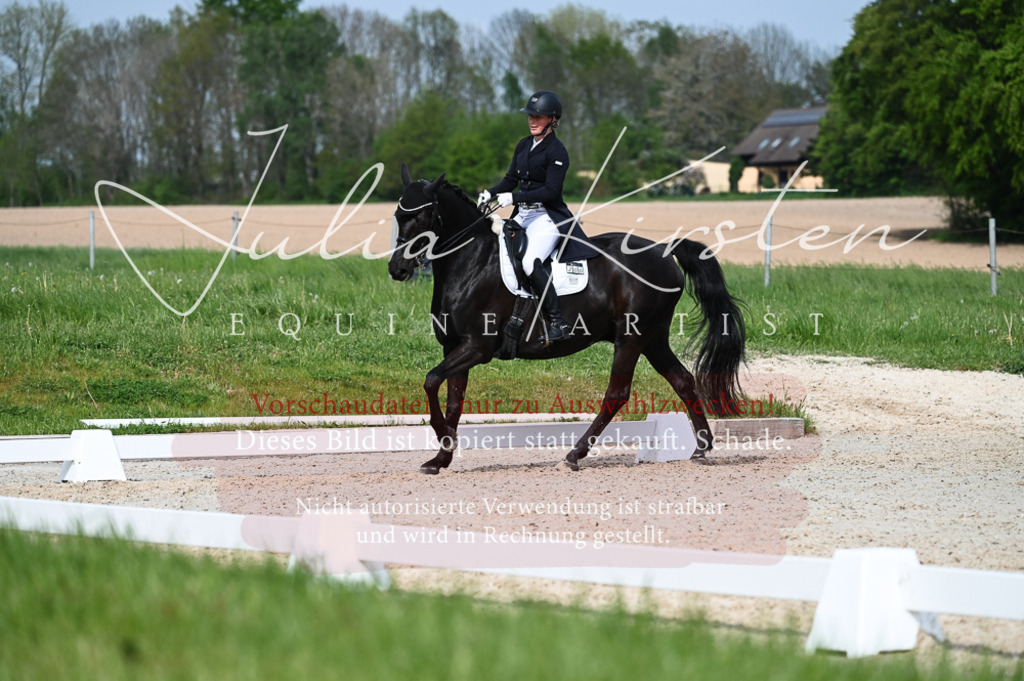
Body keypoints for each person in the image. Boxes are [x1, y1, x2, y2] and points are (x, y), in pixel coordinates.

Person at [477, 90, 596, 343]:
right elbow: (510, 179)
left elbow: (551, 191)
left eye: (538, 117)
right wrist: (491, 192)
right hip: (523, 215)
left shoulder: (557, 151)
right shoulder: (523, 145)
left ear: (552, 120)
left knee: (531, 262)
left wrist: (514, 198)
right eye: (530, 116)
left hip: (547, 217)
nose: (532, 121)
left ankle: (558, 323)